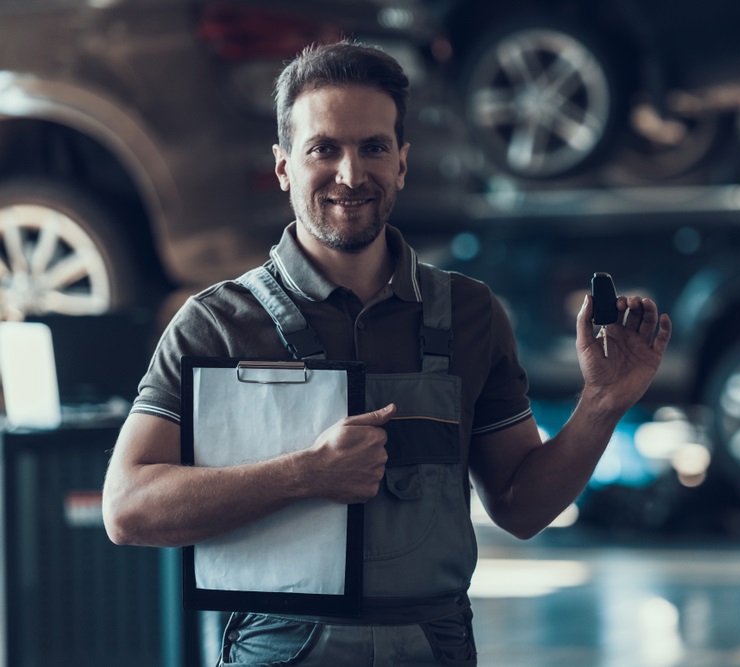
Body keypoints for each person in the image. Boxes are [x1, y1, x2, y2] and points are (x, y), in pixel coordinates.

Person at [102, 40, 672, 666]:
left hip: (433, 645)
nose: (352, 174)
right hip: (277, 645)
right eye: (324, 148)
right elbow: (128, 507)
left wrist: (602, 404)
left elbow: (520, 507)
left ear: (402, 162)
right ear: (283, 165)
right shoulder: (216, 324)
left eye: (373, 147)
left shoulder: (472, 315)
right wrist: (305, 475)